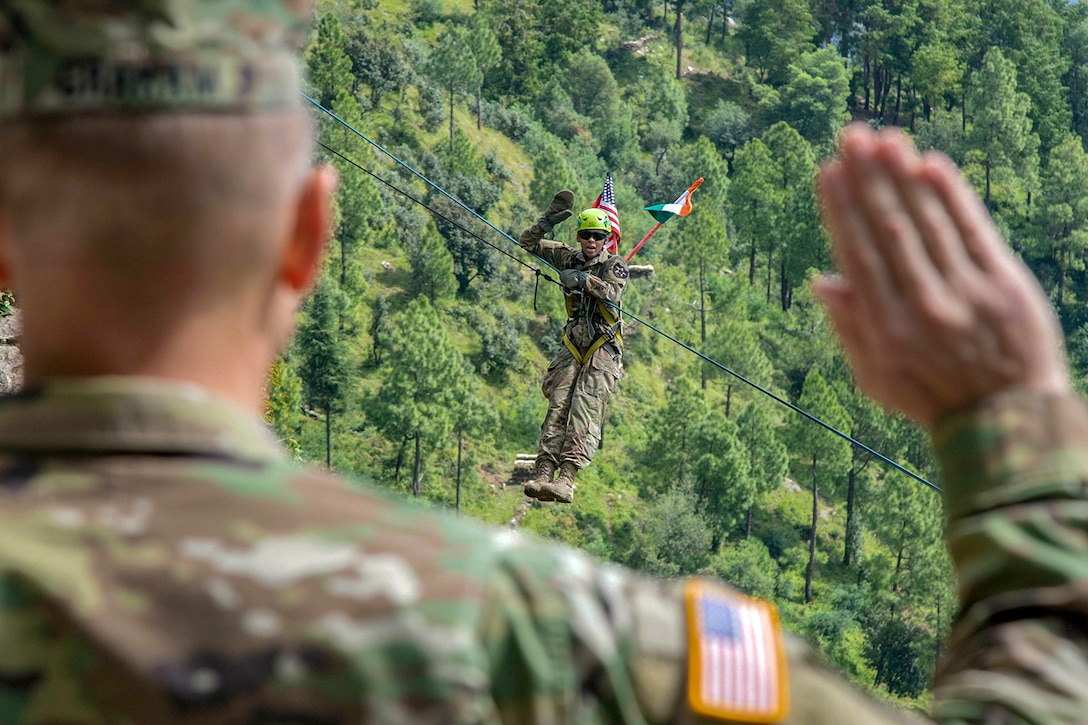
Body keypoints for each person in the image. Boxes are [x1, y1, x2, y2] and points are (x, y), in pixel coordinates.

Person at [0, 3, 1086, 723]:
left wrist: (618, 269)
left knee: (577, 404)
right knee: (562, 402)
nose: (602, 244)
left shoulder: (612, 271)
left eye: (608, 238)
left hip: (595, 342)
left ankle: (561, 463)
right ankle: (554, 463)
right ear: (305, 239)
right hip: (575, 345)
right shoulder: (540, 639)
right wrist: (1011, 431)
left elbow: (611, 276)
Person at [518, 196, 629, 504]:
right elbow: (526, 243)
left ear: (606, 239)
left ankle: (566, 479)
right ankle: (543, 474)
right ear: (579, 237)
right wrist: (547, 221)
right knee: (558, 402)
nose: (592, 241)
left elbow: (612, 294)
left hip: (602, 346)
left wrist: (583, 280)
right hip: (573, 342)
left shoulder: (615, 265)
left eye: (598, 236)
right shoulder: (568, 257)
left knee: (584, 407)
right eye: (587, 235)